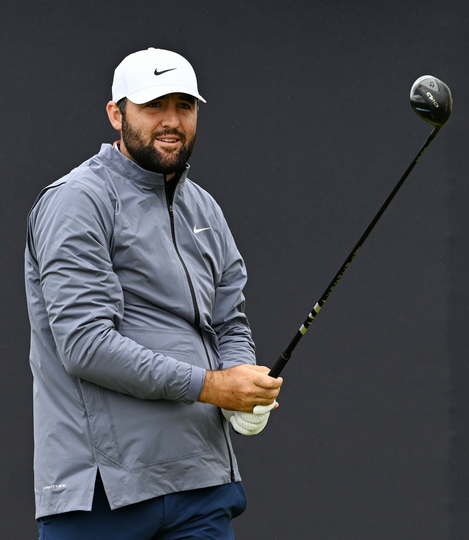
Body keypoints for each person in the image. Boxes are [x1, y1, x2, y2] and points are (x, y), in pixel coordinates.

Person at [24, 47, 283, 539]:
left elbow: (229, 320)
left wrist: (241, 385)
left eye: (184, 105)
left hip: (202, 485)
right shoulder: (76, 201)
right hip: (102, 495)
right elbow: (85, 346)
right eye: (154, 105)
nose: (171, 120)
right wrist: (213, 386)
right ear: (116, 114)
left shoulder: (204, 206)